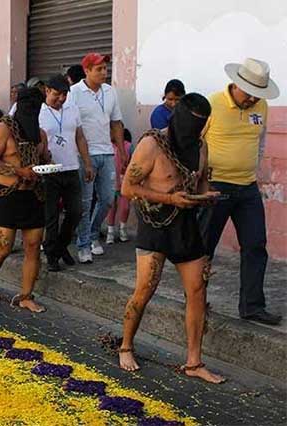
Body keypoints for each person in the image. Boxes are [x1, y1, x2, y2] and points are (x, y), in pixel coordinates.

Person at [118, 93, 225, 384]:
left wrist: (206, 196)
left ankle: (194, 362)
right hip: (155, 226)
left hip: (186, 227)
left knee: (197, 292)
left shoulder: (200, 146)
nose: (194, 133)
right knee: (145, 289)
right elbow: (128, 188)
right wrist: (168, 198)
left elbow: (201, 183)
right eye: (191, 125)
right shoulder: (152, 144)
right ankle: (126, 345)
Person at [200, 58, 282, 326]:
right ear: (236, 84)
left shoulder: (262, 106)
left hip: (247, 187)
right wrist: (200, 182)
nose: (251, 100)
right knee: (203, 247)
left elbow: (259, 142)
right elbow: (196, 143)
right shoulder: (212, 104)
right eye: (248, 93)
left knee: (256, 245)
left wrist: (254, 171)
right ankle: (197, 302)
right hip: (215, 187)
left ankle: (252, 306)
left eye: (257, 94)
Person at [0, 87, 51, 311]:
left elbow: (44, 158)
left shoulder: (40, 134)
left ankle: (26, 296)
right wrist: (20, 171)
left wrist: (45, 163)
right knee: (3, 247)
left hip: (33, 195)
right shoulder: (3, 129)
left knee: (33, 246)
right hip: (7, 195)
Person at [68, 52, 128, 263]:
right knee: (85, 202)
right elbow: (71, 126)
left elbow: (116, 123)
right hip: (85, 155)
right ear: (87, 71)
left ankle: (93, 234)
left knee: (108, 198)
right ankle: (84, 244)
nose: (104, 72)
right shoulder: (74, 93)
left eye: (105, 68)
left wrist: (121, 150)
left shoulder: (110, 91)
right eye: (99, 69)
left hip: (107, 153)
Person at [39, 74, 93, 272]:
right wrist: (45, 157)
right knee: (51, 216)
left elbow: (79, 137)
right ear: (47, 91)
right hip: (50, 171)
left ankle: (61, 246)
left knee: (76, 212)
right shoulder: (40, 111)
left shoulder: (72, 109)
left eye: (64, 95)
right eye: (57, 94)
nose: (61, 99)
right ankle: (51, 254)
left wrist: (87, 163)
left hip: (71, 168)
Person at [106, 128, 134, 244]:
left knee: (125, 207)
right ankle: (110, 231)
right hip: (111, 181)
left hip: (124, 181)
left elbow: (134, 161)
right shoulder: (108, 146)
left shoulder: (129, 146)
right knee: (111, 207)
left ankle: (122, 228)